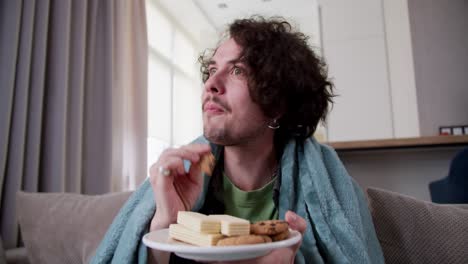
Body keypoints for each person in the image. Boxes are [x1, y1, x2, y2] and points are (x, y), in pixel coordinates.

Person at [91, 16, 384, 264]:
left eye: (237, 70)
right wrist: (166, 224)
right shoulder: (184, 176)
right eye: (211, 70)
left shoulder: (327, 186)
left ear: (277, 104)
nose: (211, 85)